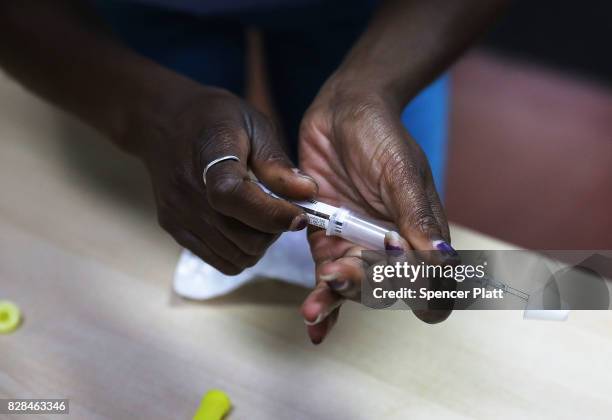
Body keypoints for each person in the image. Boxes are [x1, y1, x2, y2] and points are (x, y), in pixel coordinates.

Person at [0, 0, 507, 344]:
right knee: (203, 197)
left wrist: (373, 87)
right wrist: (147, 113)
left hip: (378, 18)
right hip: (154, 9)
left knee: (399, 238)